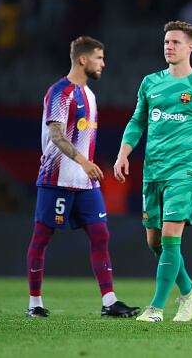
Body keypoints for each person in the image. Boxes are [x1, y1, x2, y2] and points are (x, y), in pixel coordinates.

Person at [113, 21, 192, 322]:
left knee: (169, 237)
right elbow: (137, 121)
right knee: (154, 241)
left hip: (185, 171)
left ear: (190, 47)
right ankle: (189, 290)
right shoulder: (150, 83)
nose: (169, 46)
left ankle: (155, 308)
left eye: (176, 42)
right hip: (152, 171)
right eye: (166, 41)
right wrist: (123, 154)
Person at [26, 36, 139, 318]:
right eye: (99, 58)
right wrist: (84, 162)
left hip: (85, 182)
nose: (104, 63)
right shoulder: (59, 92)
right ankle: (34, 304)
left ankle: (109, 302)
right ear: (83, 59)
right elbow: (57, 136)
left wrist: (86, 168)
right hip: (56, 179)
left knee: (100, 235)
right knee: (42, 238)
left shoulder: (89, 95)